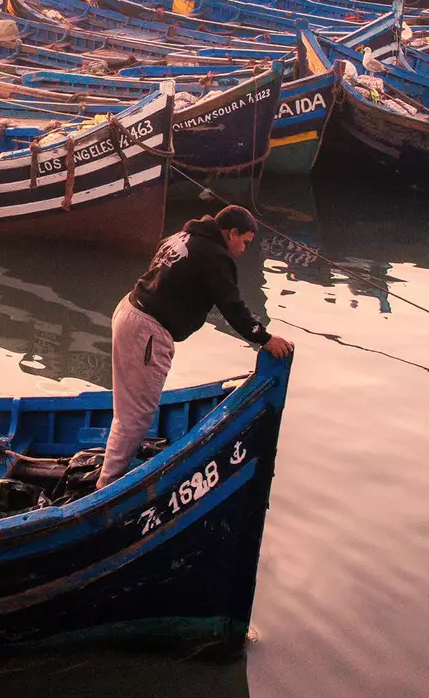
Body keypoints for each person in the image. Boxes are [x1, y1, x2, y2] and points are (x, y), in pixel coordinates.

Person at [97, 205, 293, 490]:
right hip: (148, 329)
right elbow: (233, 307)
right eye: (245, 242)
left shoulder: (183, 236)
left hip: (129, 310)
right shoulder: (215, 256)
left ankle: (115, 469)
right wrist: (265, 338)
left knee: (128, 410)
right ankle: (107, 488)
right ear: (232, 233)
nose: (243, 250)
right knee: (136, 417)